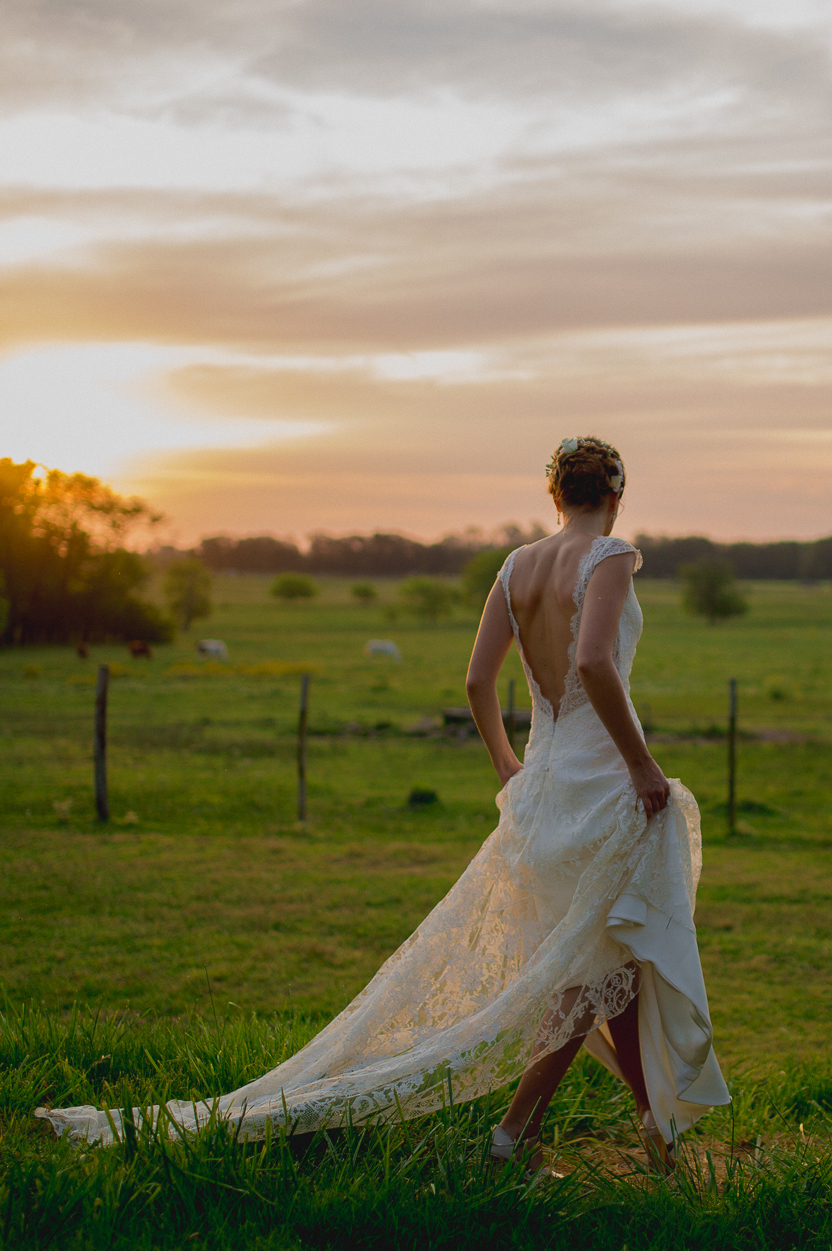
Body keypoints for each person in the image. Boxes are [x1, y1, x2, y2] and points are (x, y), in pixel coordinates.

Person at [37, 436, 729, 1173]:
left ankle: (653, 1120)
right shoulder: (612, 556)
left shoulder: (516, 565)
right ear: (616, 495)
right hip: (602, 787)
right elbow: (593, 661)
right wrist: (643, 764)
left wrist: (507, 764)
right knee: (593, 966)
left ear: (555, 496)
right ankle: (512, 1136)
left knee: (610, 950)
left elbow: (476, 681)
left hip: (545, 790)